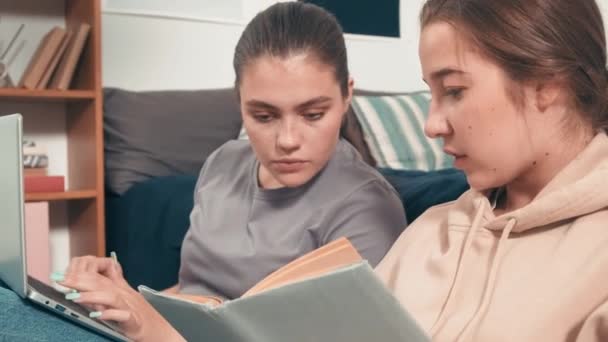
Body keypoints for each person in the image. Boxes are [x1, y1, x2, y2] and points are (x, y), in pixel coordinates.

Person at [0, 2, 406, 341]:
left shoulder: (365, 206)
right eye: (262, 115)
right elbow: (193, 291)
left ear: (347, 93)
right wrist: (124, 297)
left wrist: (149, 325)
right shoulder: (223, 163)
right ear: (239, 100)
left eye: (313, 113)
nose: (287, 139)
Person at [376, 0, 608, 341]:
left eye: (454, 91)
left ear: (545, 84)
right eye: (432, 93)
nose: (432, 124)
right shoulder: (426, 232)